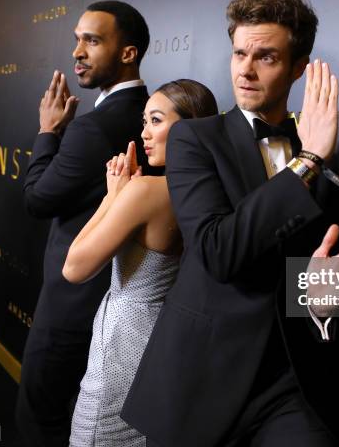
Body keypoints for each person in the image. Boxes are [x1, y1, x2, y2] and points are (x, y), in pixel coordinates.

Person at [121, 0, 339, 446]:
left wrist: (320, 302)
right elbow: (218, 252)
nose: (245, 70)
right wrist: (307, 161)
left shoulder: (331, 160)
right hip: (201, 377)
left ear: (298, 67)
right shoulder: (195, 139)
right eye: (238, 53)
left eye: (266, 57)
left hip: (290, 382)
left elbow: (317, 272)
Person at [17, 0, 152, 446]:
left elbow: (38, 199)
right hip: (118, 307)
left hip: (73, 306)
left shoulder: (95, 126)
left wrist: (48, 132)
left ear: (128, 53)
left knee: (43, 422)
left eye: (92, 40)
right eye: (77, 38)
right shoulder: (152, 113)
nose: (77, 50)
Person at [61, 79, 218, 447]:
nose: (145, 133)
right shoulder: (208, 190)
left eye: (157, 121)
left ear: (190, 127)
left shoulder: (146, 191)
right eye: (145, 121)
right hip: (166, 347)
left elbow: (75, 267)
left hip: (122, 345)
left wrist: (113, 196)